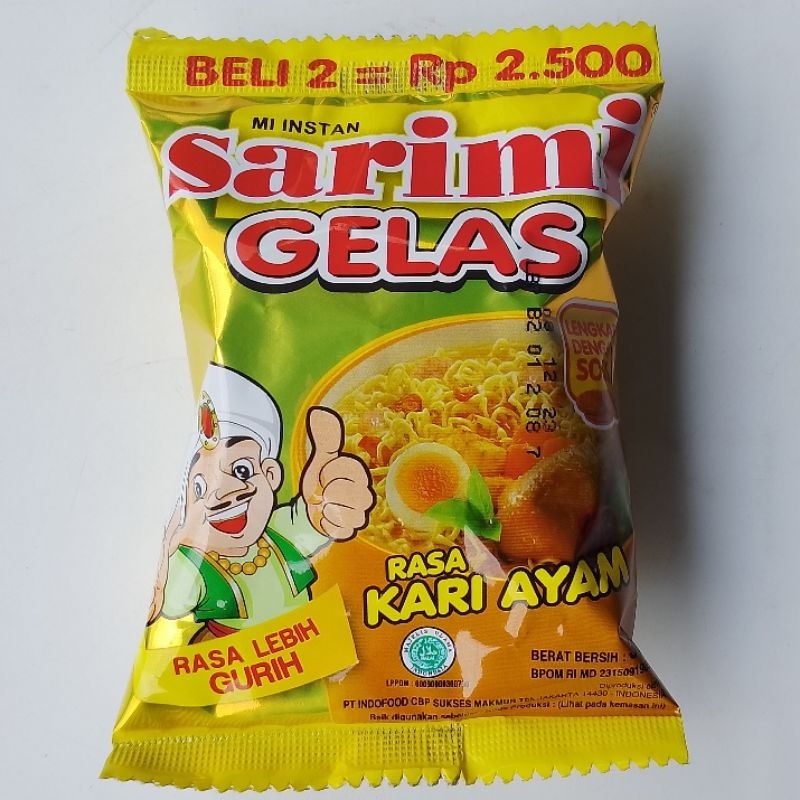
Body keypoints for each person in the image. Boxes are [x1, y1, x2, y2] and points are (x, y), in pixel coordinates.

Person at [148, 362, 374, 642]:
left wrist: (325, 501)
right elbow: (171, 596)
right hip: (233, 655)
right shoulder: (194, 564)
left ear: (270, 474)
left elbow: (312, 519)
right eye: (200, 488)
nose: (225, 494)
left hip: (306, 638)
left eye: (241, 470)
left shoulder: (279, 531)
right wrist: (157, 579)